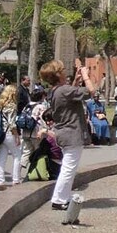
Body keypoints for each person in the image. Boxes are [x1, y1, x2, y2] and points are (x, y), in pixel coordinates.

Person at [43, 61, 92, 211]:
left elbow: (70, 96)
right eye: (63, 70)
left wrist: (76, 81)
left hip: (64, 133)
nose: (66, 72)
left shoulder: (56, 90)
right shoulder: (63, 90)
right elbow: (90, 91)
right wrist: (85, 76)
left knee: (68, 167)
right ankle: (58, 200)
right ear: (58, 74)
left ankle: (62, 197)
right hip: (72, 134)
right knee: (68, 169)